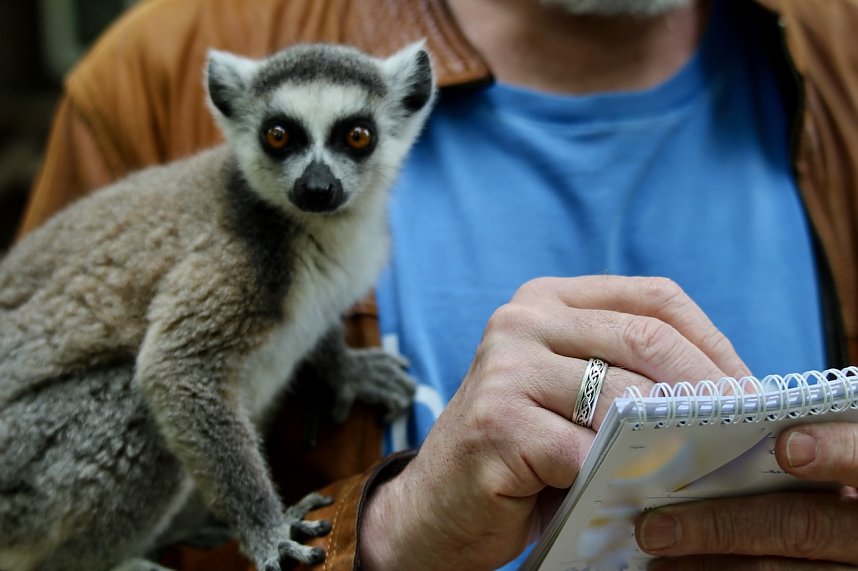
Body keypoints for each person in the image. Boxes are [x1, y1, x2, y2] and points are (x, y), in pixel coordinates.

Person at [15, 0, 858, 569]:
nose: (317, 174)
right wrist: (376, 537)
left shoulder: (842, 52)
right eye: (283, 142)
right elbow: (174, 372)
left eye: (348, 139)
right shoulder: (158, 69)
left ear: (401, 109)